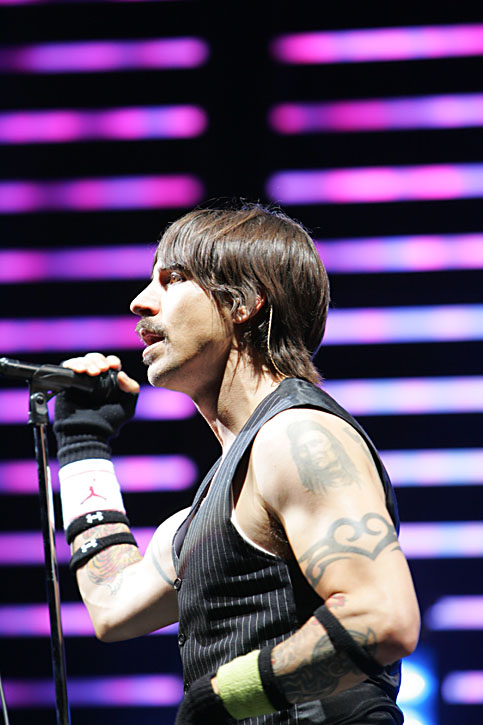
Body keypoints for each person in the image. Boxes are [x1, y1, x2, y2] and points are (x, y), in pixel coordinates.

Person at [53, 203, 420, 724]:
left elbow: (382, 617)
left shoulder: (298, 436)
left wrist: (222, 697)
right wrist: (83, 443)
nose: (140, 302)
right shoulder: (219, 499)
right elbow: (112, 607)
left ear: (243, 301)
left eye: (171, 279)